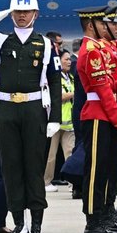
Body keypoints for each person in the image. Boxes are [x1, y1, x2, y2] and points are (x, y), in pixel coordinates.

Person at [0, 0, 62, 233]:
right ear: (11, 13)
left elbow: (55, 82)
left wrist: (54, 116)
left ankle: (36, 226)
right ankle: (19, 225)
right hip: (6, 110)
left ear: (35, 14)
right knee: (11, 169)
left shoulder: (45, 45)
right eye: (17, 11)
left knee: (33, 169)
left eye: (26, 12)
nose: (21, 16)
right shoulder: (1, 42)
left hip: (34, 110)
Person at [75, 6, 117, 233]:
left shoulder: (100, 49)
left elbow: (112, 85)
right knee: (95, 172)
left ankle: (105, 214)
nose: (107, 28)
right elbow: (102, 91)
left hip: (106, 114)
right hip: (97, 116)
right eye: (102, 24)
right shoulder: (90, 51)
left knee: (108, 168)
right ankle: (93, 222)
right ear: (90, 25)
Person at [44, 50, 75, 193]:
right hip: (55, 122)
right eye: (66, 59)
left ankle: (73, 182)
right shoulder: (55, 78)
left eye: (70, 59)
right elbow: (58, 96)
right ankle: (46, 182)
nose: (69, 62)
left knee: (70, 153)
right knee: (51, 155)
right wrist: (75, 93)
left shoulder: (71, 78)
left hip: (69, 123)